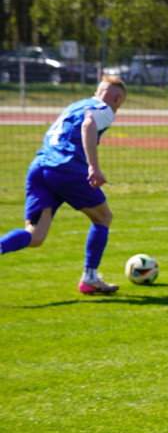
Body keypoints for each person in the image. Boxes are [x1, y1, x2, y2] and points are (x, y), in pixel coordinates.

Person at [0, 75, 128, 293]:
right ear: (116, 99)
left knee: (35, 235)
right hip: (66, 169)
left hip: (39, 167)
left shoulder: (75, 105)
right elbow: (88, 125)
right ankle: (89, 278)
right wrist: (93, 167)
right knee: (103, 217)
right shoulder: (104, 109)